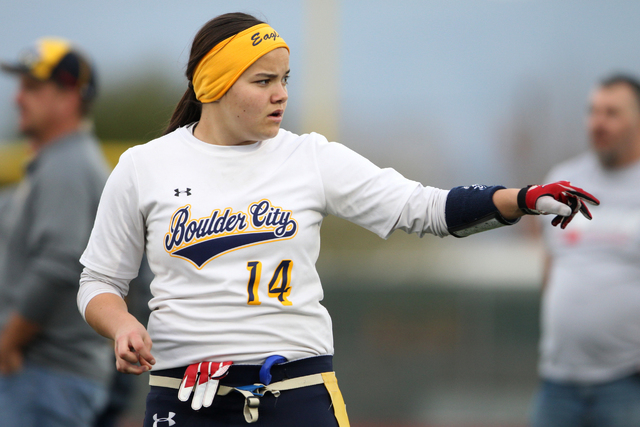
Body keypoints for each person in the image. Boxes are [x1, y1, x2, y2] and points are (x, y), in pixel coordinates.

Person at [77, 12, 599, 427]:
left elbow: (422, 208)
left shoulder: (309, 157)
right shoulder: (144, 166)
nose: (281, 93)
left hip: (296, 394)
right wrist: (121, 323)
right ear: (213, 85)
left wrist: (522, 198)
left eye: (284, 78)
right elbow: (98, 281)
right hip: (183, 397)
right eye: (263, 81)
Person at [0, 38, 113, 427]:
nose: (18, 99)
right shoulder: (57, 162)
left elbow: (58, 263)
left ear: (67, 98)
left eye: (32, 88)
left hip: (46, 373)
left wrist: (8, 341)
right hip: (48, 375)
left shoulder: (67, 166)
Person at [529, 74, 640, 427]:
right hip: (557, 384)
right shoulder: (564, 181)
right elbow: (550, 267)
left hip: (625, 384)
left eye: (612, 112)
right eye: (593, 111)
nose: (598, 122)